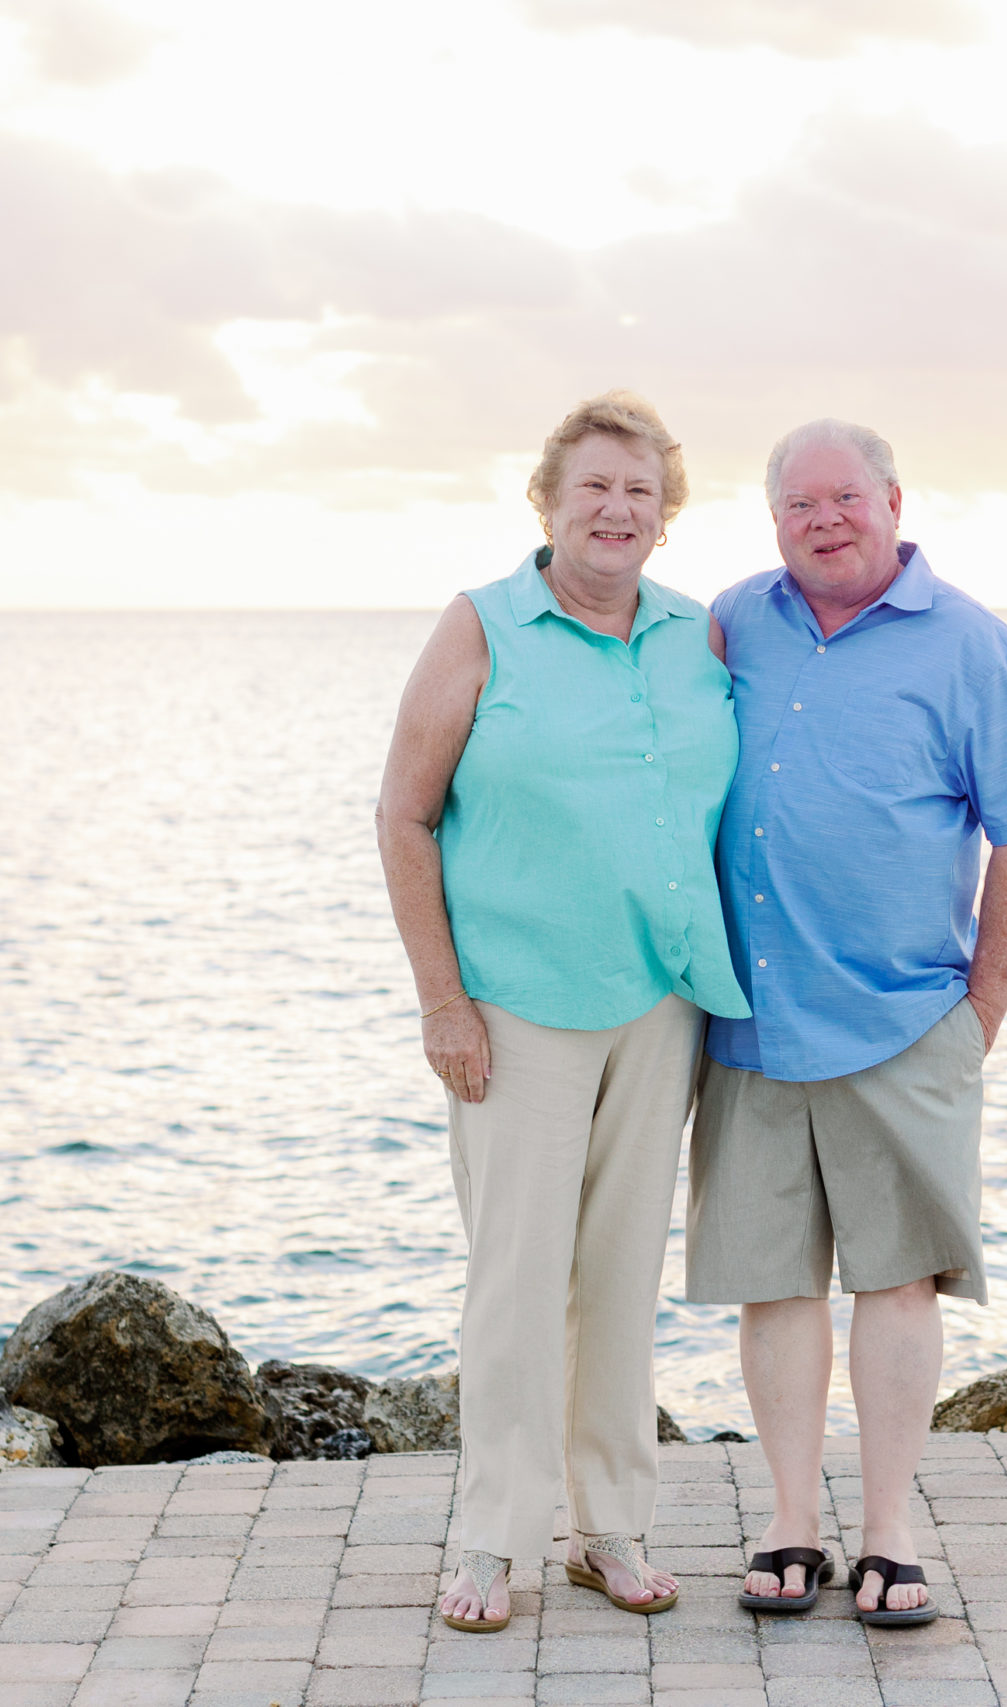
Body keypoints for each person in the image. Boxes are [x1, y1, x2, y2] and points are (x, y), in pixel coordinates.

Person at [690, 418, 1007, 1625]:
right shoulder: (729, 624)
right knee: (773, 1287)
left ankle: (887, 1531)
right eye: (799, 504)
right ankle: (790, 1524)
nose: (824, 519)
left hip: (906, 1018)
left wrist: (984, 1010)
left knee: (900, 1283)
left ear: (894, 502)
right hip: (749, 1022)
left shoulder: (971, 646)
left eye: (845, 498)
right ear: (773, 522)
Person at [376, 391, 751, 1634]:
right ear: (547, 501)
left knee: (618, 1276)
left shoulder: (701, 640)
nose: (615, 509)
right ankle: (491, 1540)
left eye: (639, 491)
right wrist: (444, 1003)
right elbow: (404, 815)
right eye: (593, 486)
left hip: (660, 1004)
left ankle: (610, 1528)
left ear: (666, 517)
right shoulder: (483, 626)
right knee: (518, 1282)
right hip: (517, 1008)